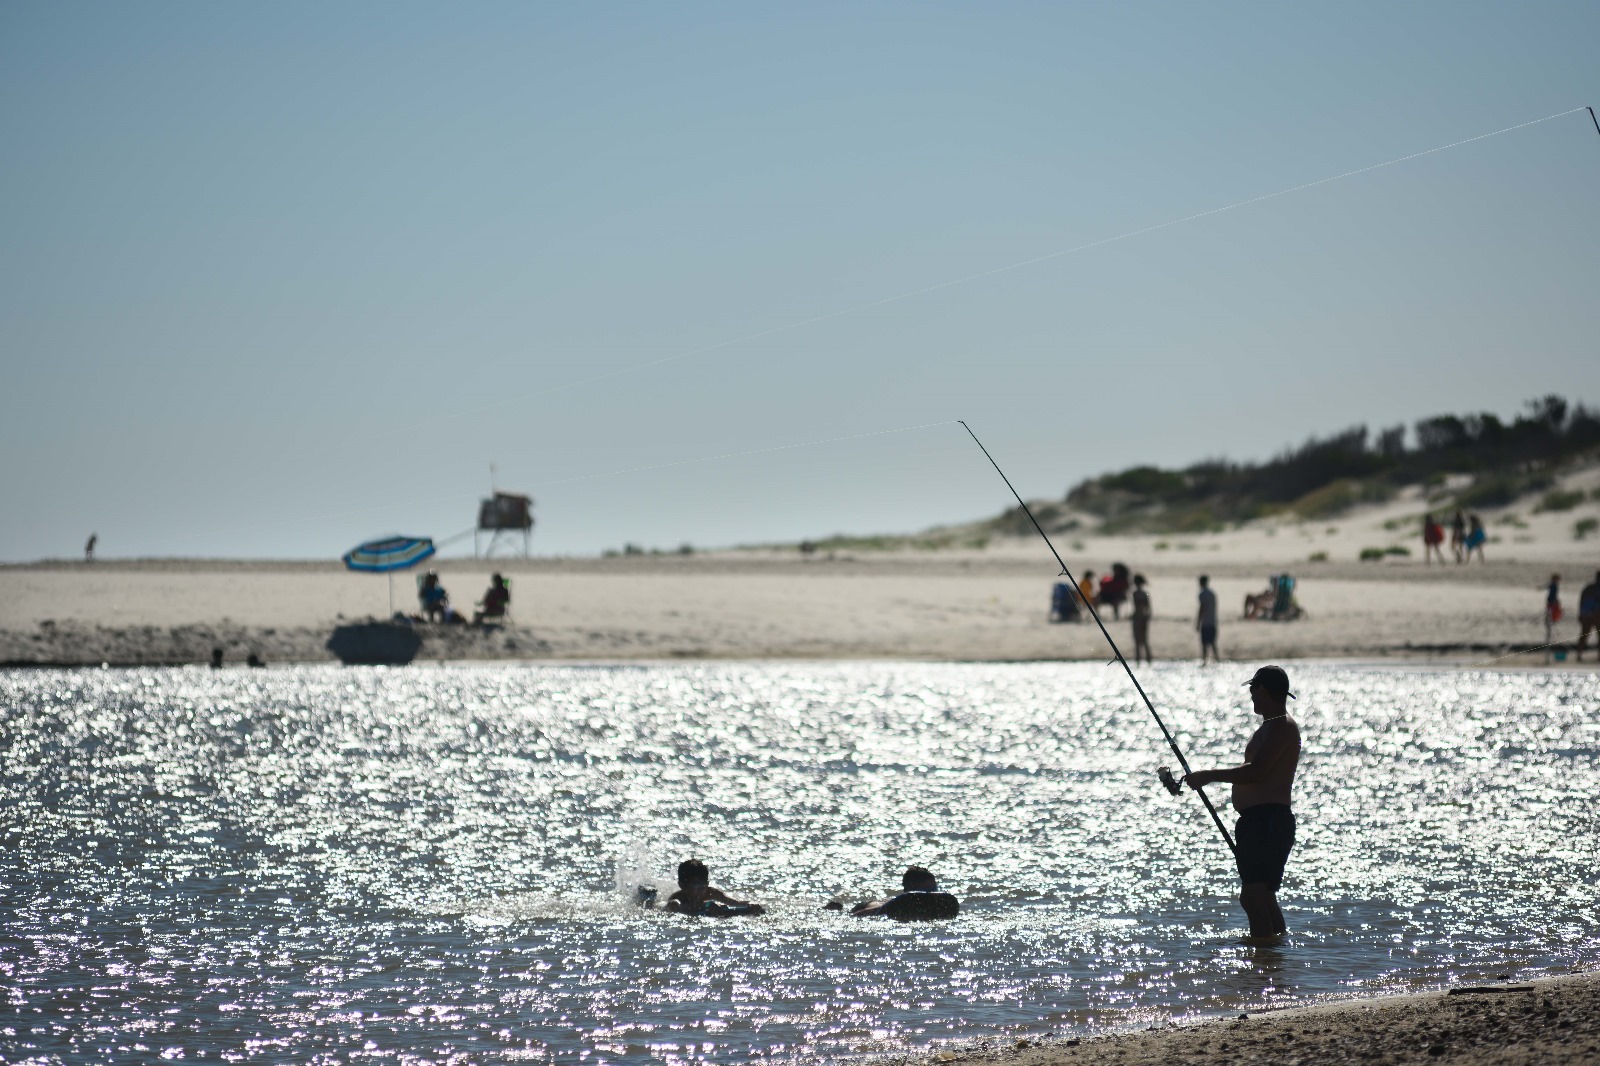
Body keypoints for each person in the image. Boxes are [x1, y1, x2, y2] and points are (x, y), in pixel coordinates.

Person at [1184, 665, 1302, 939]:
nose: (1250, 695)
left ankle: (1263, 956)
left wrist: (1208, 775)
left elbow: (1256, 772)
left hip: (1268, 822)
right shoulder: (1271, 726)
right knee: (1263, 895)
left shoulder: (1281, 727)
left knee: (1253, 896)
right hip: (1259, 821)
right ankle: (1273, 956)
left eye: (1253, 689)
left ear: (1263, 690)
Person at [840, 866, 959, 919]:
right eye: (927, 890)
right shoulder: (898, 904)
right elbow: (862, 914)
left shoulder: (937, 904)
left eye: (934, 890)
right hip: (867, 906)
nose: (931, 894)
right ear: (910, 888)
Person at [663, 859, 765, 917]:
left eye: (704, 885)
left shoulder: (711, 893)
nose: (701, 890)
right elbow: (674, 907)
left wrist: (751, 905)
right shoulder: (678, 898)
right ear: (682, 885)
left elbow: (735, 903)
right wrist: (706, 905)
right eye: (696, 886)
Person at [1576, 571, 1600, 662]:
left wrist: (1581, 614)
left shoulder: (1588, 588)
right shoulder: (1592, 588)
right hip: (1596, 614)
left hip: (1586, 614)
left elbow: (1581, 601)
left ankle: (1579, 654)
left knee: (1584, 634)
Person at [1196, 575, 1219, 663]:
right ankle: (1217, 659)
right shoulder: (1212, 594)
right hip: (1212, 621)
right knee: (1213, 643)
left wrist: (1198, 622)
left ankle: (1204, 660)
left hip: (1205, 623)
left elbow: (1201, 609)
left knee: (1204, 644)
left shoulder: (1202, 594)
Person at [1131, 574, 1153, 665]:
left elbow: (1137, 606)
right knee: (1144, 640)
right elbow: (1149, 608)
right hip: (1144, 617)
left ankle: (1138, 660)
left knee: (1137, 640)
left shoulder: (1135, 594)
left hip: (1138, 618)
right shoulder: (1145, 593)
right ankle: (1149, 659)